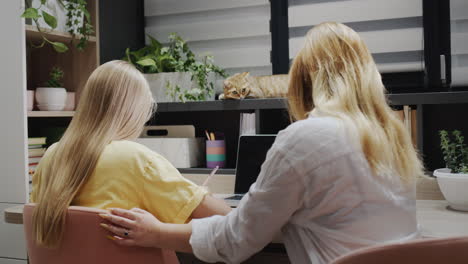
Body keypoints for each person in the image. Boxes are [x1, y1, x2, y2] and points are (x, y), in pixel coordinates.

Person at [100, 22, 424, 264]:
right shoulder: (392, 138)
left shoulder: (305, 138)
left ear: (304, 82)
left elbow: (236, 239)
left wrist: (155, 232)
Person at [30, 60, 231, 248]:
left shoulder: (51, 155)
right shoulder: (136, 159)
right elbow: (230, 222)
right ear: (136, 112)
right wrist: (200, 196)